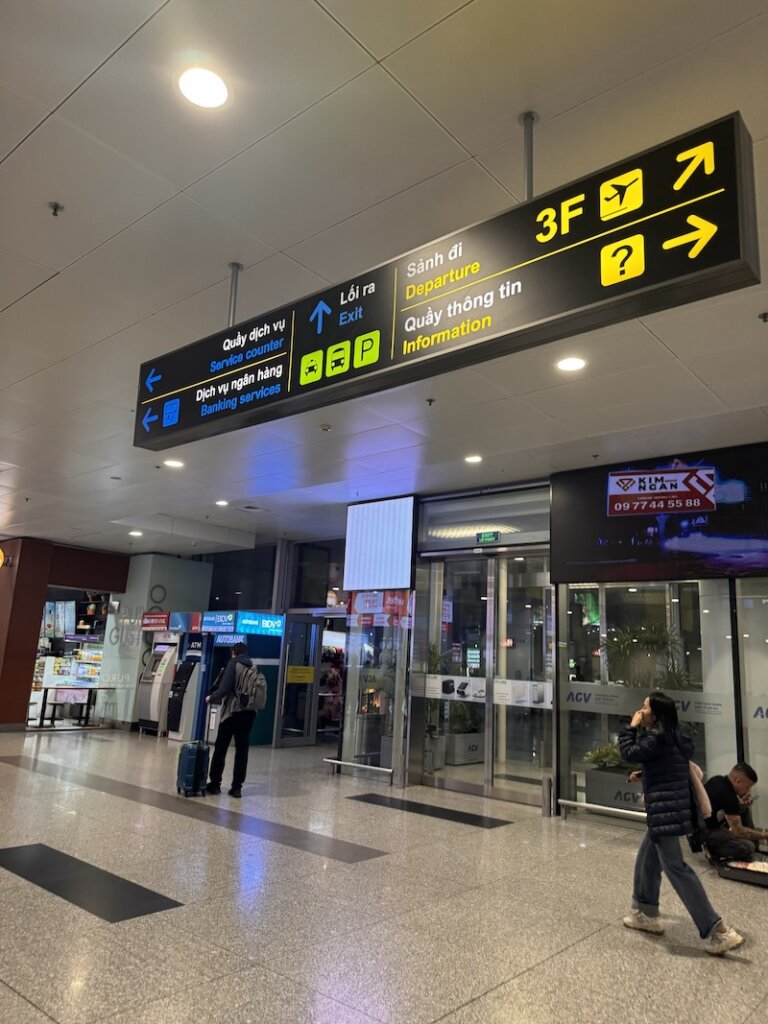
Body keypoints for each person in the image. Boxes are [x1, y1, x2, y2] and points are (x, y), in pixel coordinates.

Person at [618, 691, 744, 955]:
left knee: (676, 867)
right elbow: (670, 766)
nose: (642, 711)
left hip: (665, 813)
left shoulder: (656, 738)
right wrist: (645, 773)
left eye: (645, 707)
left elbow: (628, 751)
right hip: (673, 810)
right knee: (646, 859)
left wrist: (631, 726)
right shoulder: (675, 738)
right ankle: (645, 912)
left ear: (656, 714)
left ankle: (717, 929)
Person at [205, 642, 256, 798]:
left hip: (232, 712)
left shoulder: (233, 664)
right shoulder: (252, 666)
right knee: (242, 750)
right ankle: (237, 787)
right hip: (249, 713)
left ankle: (214, 784)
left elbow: (224, 688)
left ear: (233, 652)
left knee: (221, 748)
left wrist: (211, 698)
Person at [704, 762, 768, 862]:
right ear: (737, 781)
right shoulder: (729, 796)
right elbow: (737, 831)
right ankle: (713, 850)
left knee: (743, 809)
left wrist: (741, 807)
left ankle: (755, 849)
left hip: (704, 825)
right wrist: (764, 835)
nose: (748, 791)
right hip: (707, 833)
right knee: (748, 847)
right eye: (747, 787)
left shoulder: (716, 779)